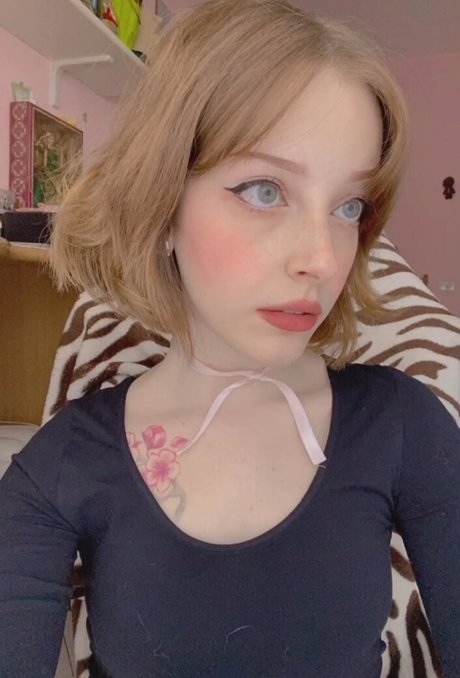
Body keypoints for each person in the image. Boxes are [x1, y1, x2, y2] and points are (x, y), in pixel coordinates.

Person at [1, 1, 459, 676]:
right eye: (265, 190)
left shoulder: (403, 427)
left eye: (349, 206)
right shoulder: (59, 468)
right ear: (161, 204)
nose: (322, 259)